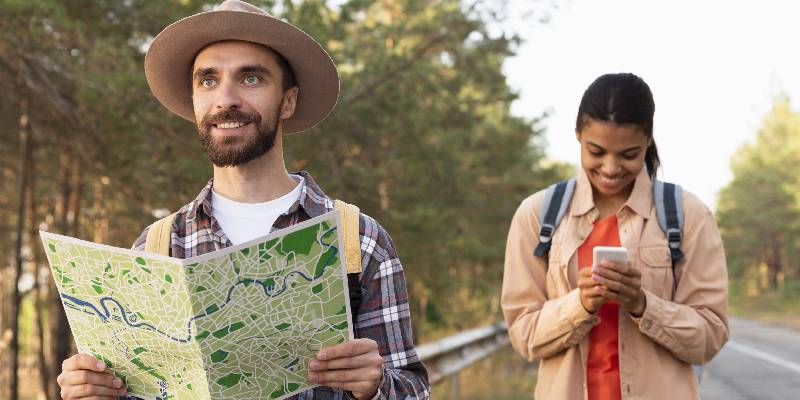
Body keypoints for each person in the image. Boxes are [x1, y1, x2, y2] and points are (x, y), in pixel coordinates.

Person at [54, 1, 430, 399]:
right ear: (195, 99)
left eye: (250, 79)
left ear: (288, 101)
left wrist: (377, 385)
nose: (226, 99)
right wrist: (95, 392)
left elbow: (414, 391)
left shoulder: (359, 241)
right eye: (208, 80)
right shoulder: (155, 249)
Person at [501, 73, 729, 400]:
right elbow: (524, 336)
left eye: (628, 154)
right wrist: (579, 304)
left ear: (648, 141)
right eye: (596, 151)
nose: (610, 168)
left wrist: (642, 304)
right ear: (577, 135)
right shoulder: (537, 215)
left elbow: (710, 337)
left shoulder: (689, 216)